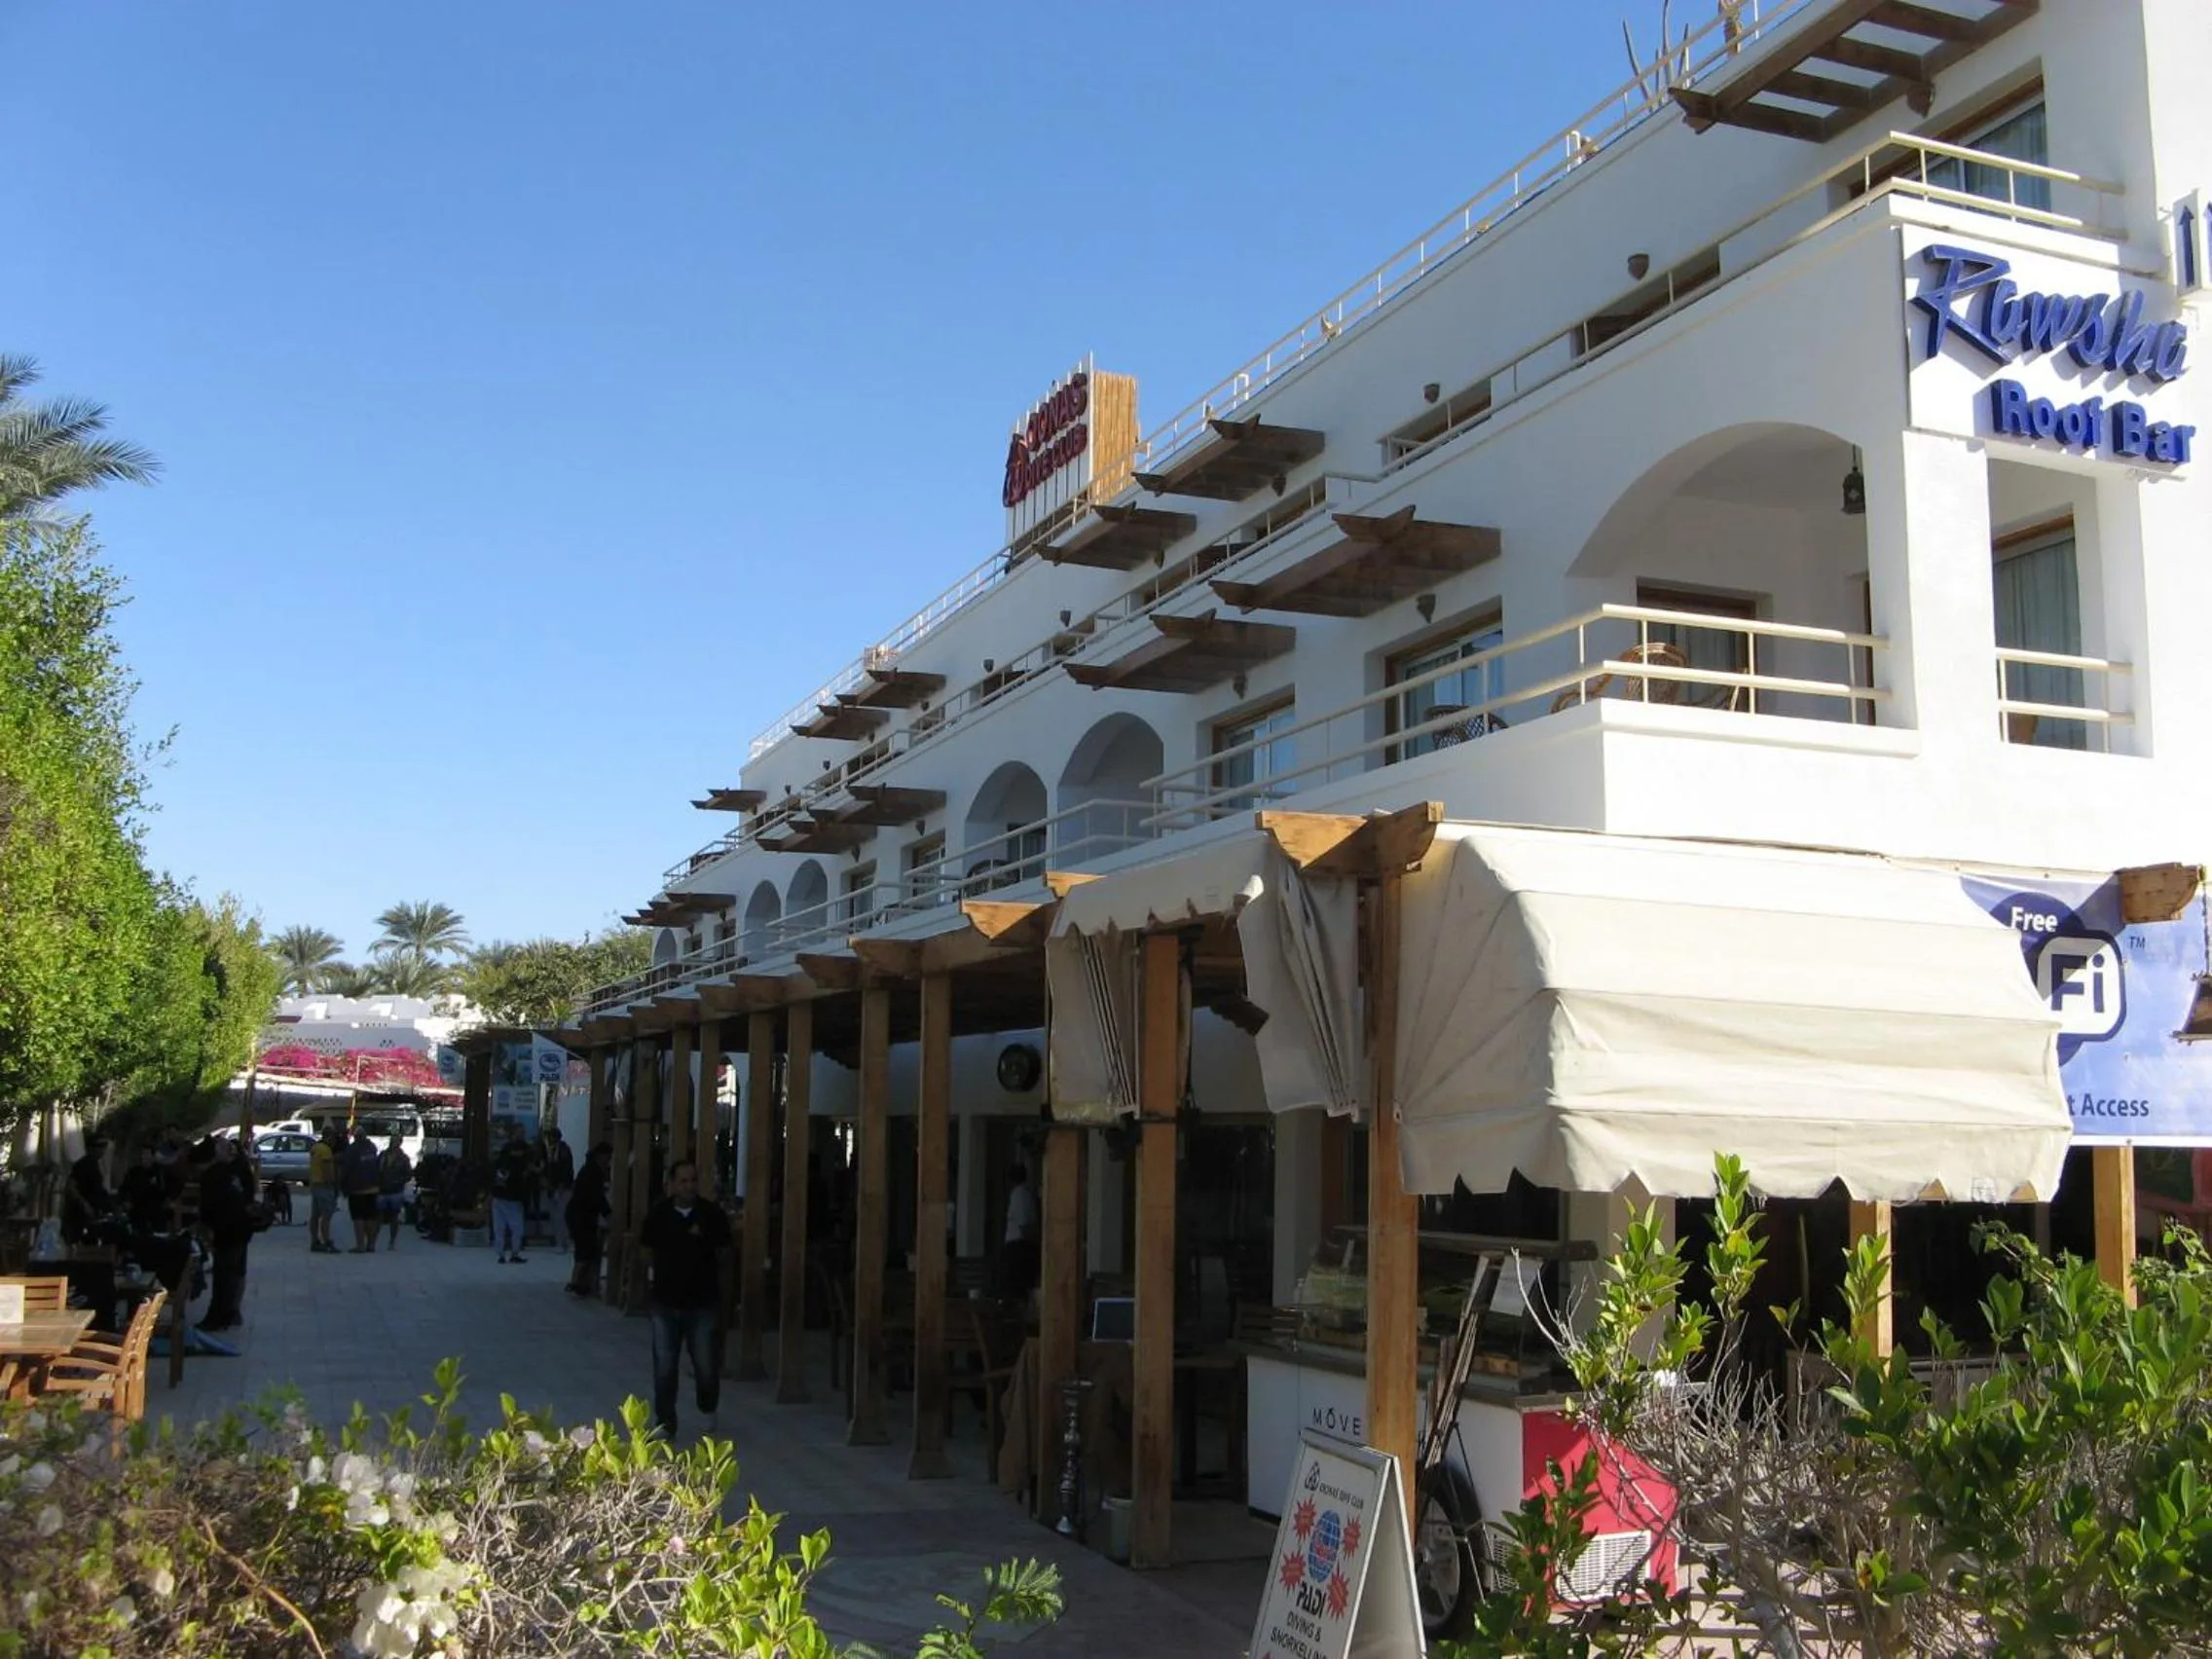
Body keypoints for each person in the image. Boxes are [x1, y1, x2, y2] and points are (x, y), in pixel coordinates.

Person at [638, 1159, 730, 1438]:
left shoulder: (711, 1215)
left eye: (693, 1180)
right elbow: (645, 1250)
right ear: (671, 1184)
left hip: (702, 1302)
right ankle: (666, 1422)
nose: (689, 1186)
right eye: (683, 1181)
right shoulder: (658, 1215)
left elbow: (725, 1252)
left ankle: (707, 1408)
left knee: (705, 1364)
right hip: (665, 1302)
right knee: (665, 1366)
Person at [199, 1135, 260, 1331]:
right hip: (237, 1230)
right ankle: (228, 1313)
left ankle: (223, 1315)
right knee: (231, 1273)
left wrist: (207, 1228)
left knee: (226, 1275)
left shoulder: (221, 1173)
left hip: (230, 1231)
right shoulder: (232, 1171)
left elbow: (209, 1205)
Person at [567, 1142, 612, 1298]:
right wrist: (608, 1214)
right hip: (582, 1216)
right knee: (586, 1250)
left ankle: (578, 1281)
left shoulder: (588, 1169)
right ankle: (578, 1283)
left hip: (578, 1214)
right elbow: (597, 1197)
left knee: (583, 1250)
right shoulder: (594, 1173)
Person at [491, 1124, 533, 1264]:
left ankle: (501, 1254)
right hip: (513, 1195)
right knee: (515, 1227)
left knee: (501, 1227)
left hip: (502, 1194)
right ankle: (512, 1253)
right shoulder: (525, 1151)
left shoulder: (505, 1151)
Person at [340, 1124, 384, 1253]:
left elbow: (346, 1169)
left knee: (358, 1218)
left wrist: (342, 1185)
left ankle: (360, 1245)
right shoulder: (372, 1147)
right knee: (370, 1217)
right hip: (373, 1188)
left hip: (357, 1189)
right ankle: (371, 1244)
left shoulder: (352, 1150)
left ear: (355, 1137)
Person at [1003, 1160, 1040, 1296]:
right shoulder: (1023, 1194)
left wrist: (1034, 1243)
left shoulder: (1019, 1195)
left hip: (1019, 1247)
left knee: (1017, 1286)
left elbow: (1024, 1224)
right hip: (1021, 1245)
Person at [307, 1123, 342, 1253]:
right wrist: (332, 1185)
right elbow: (327, 1170)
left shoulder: (315, 1147)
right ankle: (327, 1241)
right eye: (334, 1138)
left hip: (315, 1184)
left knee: (315, 1215)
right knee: (326, 1216)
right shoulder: (326, 1150)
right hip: (324, 1186)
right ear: (330, 1137)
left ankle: (315, 1240)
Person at [377, 1132, 414, 1252]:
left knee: (394, 1216)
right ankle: (373, 1240)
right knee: (378, 1216)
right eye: (393, 1140)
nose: (394, 1143)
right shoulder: (382, 1155)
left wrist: (399, 1181)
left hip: (396, 1190)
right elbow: (376, 1169)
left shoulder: (404, 1158)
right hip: (382, 1189)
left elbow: (408, 1175)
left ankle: (392, 1241)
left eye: (397, 1141)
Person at [542, 1127, 575, 1251]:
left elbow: (565, 1169)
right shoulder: (553, 1150)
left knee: (561, 1216)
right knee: (557, 1216)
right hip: (555, 1187)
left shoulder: (562, 1150)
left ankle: (562, 1242)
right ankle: (561, 1241)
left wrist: (561, 1185)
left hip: (561, 1188)